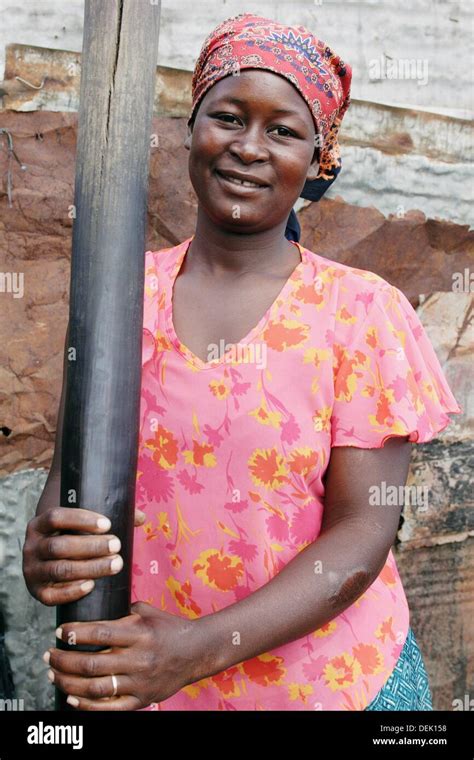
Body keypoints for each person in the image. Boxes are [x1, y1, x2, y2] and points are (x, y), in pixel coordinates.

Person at [23, 13, 462, 711]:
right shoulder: (119, 295)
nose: (249, 148)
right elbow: (69, 481)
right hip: (146, 688)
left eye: (282, 130)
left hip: (329, 688)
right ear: (192, 129)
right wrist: (46, 549)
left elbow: (362, 531)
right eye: (228, 117)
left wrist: (198, 648)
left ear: (318, 159)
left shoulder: (359, 313)